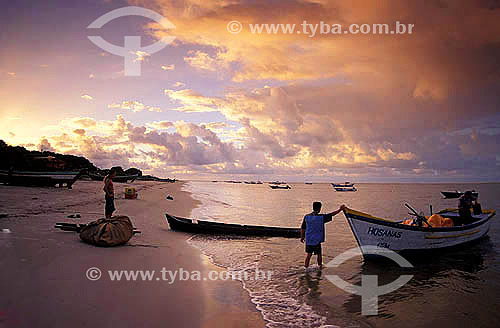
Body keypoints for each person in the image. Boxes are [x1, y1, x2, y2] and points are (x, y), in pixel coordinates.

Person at [300, 202, 346, 268]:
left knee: (309, 255)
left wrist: (302, 237)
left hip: (309, 239)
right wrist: (340, 209)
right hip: (317, 240)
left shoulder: (307, 217)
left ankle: (306, 268)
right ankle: (320, 267)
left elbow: (303, 227)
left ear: (313, 207)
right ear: (319, 208)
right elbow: (331, 214)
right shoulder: (321, 217)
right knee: (319, 254)